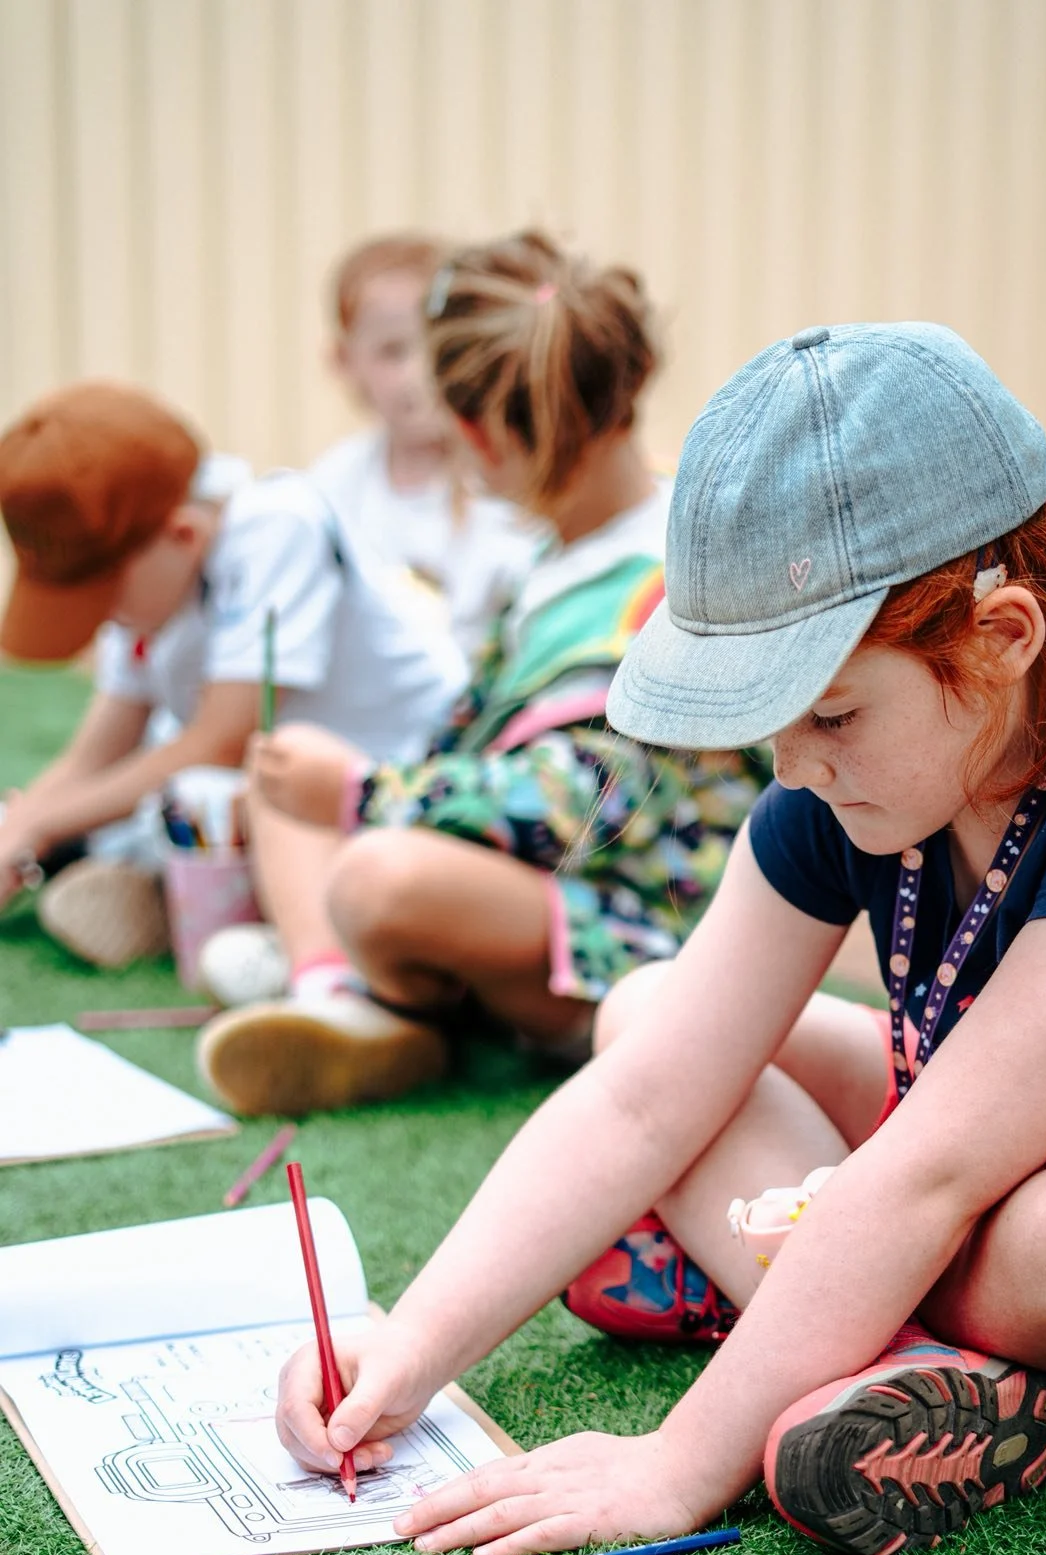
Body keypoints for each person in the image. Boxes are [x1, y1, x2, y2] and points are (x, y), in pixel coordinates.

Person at [274, 320, 1046, 1555]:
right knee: (648, 1014)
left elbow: (930, 1177)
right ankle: (914, 1369)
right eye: (764, 722)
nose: (789, 766)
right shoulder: (856, 773)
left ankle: (795, 1295)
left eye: (830, 710)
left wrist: (677, 1465)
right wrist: (403, 1349)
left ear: (1003, 638)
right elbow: (644, 1098)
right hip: (1002, 1164)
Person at [197, 232, 768, 1117]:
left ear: (479, 433)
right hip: (529, 899)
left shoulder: (665, 582)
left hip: (642, 940)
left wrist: (363, 793)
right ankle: (337, 996)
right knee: (286, 769)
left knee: (376, 872)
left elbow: (575, 811)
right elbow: (470, 732)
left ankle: (388, 1000)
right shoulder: (563, 552)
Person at [0, 383, 465, 967]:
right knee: (167, 803)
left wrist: (38, 826)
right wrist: (16, 826)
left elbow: (220, 740)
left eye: (105, 599)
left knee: (216, 801)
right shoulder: (148, 577)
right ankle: (152, 888)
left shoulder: (276, 527)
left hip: (393, 774)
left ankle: (241, 923)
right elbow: (97, 751)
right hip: (271, 791)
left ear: (184, 536)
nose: (104, 624)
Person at [310, 232, 537, 663]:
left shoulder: (504, 482)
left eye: (436, 349)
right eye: (392, 352)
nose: (420, 374)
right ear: (344, 360)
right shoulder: (334, 485)